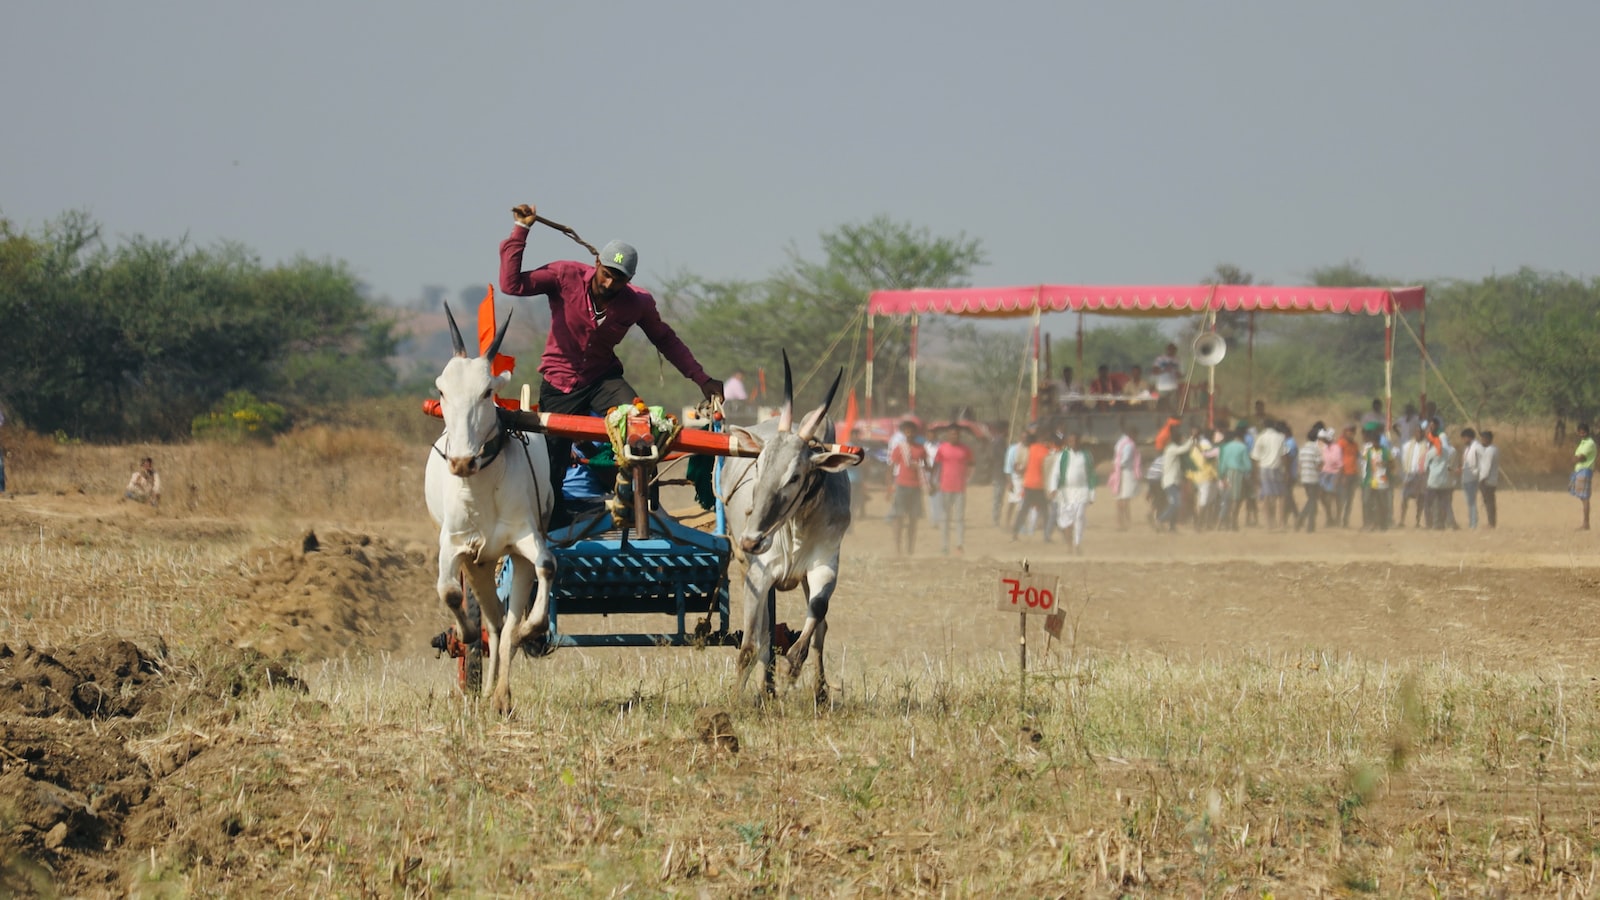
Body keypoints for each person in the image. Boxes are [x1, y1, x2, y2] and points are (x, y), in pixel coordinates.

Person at [500, 202, 724, 527]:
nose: (608, 285)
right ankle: (553, 524)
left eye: (618, 280)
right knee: (553, 461)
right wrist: (521, 230)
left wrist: (702, 379)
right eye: (606, 275)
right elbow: (512, 285)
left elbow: (666, 339)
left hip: (603, 378)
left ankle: (639, 506)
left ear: (629, 280)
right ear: (597, 264)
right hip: (559, 383)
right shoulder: (565, 276)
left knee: (641, 423)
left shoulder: (638, 303)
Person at [1047, 432, 1095, 552]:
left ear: (1079, 442)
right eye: (1071, 441)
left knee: (1079, 517)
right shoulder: (1063, 455)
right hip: (1065, 491)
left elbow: (1091, 475)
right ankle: (1069, 545)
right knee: (1066, 520)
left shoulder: (1086, 455)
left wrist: (1092, 493)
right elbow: (1055, 473)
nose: (1073, 443)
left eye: (1075, 441)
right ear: (1068, 442)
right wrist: (1053, 488)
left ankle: (1077, 544)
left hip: (1082, 490)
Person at [887, 419, 929, 554]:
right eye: (907, 431)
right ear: (904, 433)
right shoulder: (899, 448)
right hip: (901, 486)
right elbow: (891, 467)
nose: (909, 434)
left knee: (913, 519)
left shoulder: (921, 449)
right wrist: (889, 486)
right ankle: (898, 550)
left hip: (916, 487)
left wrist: (920, 466)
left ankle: (910, 550)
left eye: (912, 431)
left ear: (915, 433)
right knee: (898, 518)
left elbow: (927, 466)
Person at [932, 425, 975, 555]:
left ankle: (959, 545)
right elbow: (936, 465)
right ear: (948, 435)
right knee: (945, 518)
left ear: (959, 435)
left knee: (959, 518)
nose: (954, 436)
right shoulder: (942, 448)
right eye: (952, 434)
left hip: (960, 488)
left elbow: (972, 464)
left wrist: (969, 478)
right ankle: (945, 546)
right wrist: (934, 482)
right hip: (945, 487)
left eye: (956, 434)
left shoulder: (965, 450)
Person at [1011, 427, 1053, 542]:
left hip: (1028, 484)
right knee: (1045, 512)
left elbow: (1022, 465)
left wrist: (1021, 471)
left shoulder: (1030, 449)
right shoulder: (1045, 451)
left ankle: (1015, 533)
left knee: (1023, 510)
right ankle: (1046, 536)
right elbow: (1048, 470)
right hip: (1040, 485)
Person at [1251, 420, 1287, 530]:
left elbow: (1255, 457)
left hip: (1264, 468)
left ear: (1263, 426)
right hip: (1277, 468)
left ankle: (1269, 523)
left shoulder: (1260, 437)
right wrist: (1286, 470)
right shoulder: (1280, 437)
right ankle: (1281, 523)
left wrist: (1255, 473)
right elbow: (1284, 455)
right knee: (1281, 496)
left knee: (1266, 495)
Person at [1358, 422, 1392, 531]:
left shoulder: (1384, 450)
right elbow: (1364, 465)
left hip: (1381, 481)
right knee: (1367, 502)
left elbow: (1392, 463)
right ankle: (1369, 523)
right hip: (1369, 480)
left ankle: (1382, 524)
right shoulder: (1367, 450)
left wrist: (1385, 465)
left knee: (1381, 503)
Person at [1107, 425, 1141, 531]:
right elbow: (1125, 459)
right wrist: (1120, 466)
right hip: (1126, 472)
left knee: (1119, 497)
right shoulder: (1130, 445)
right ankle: (1125, 520)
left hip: (1118, 471)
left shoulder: (1121, 442)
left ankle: (1121, 520)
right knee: (1125, 498)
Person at [1216, 427, 1251, 531]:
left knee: (1227, 499)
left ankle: (1220, 524)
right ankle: (1233, 522)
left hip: (1227, 474)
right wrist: (1247, 470)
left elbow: (1223, 463)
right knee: (1236, 498)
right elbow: (1248, 465)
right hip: (1237, 474)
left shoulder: (1226, 447)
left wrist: (1221, 476)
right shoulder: (1242, 447)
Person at [1295, 425, 1324, 533]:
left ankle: (1305, 522)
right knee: (1312, 501)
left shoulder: (1302, 448)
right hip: (1313, 478)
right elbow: (1318, 464)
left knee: (1311, 500)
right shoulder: (1316, 449)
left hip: (1304, 478)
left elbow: (1300, 463)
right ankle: (1306, 523)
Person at [1398, 425, 1428, 528]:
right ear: (1414, 433)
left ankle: (1418, 521)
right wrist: (1404, 475)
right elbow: (1403, 460)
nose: (1418, 434)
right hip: (1409, 474)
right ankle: (1402, 520)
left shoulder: (1427, 445)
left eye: (1420, 432)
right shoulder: (1407, 446)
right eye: (1417, 432)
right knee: (1404, 498)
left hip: (1421, 475)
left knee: (1420, 499)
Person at [1457, 428, 1482, 529]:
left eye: (1463, 438)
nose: (1463, 441)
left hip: (1472, 478)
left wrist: (1476, 472)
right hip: (1465, 477)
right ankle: (1472, 521)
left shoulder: (1477, 447)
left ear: (1467, 437)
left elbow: (1481, 462)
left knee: (1471, 501)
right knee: (1469, 501)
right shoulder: (1468, 448)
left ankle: (1473, 523)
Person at [1572, 423, 1595, 531]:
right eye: (1580, 432)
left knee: (1585, 497)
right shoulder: (1582, 442)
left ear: (1587, 432)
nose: (1581, 434)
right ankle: (1585, 523)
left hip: (1584, 471)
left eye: (1583, 432)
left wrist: (1575, 459)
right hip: (1579, 471)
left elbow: (1580, 457)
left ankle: (1586, 523)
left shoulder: (1589, 443)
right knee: (1582, 497)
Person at [1477, 430, 1500, 529]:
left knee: (1489, 503)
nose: (1481, 440)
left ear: (1487, 439)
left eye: (1483, 439)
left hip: (1487, 480)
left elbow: (1486, 466)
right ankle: (1491, 522)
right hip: (1493, 480)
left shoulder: (1489, 451)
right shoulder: (1495, 449)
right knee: (1490, 502)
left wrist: (1482, 479)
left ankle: (1491, 523)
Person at [1151, 343, 1181, 409]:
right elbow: (1154, 371)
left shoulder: (1177, 360)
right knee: (1162, 407)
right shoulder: (1160, 359)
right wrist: (1164, 370)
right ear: (1167, 350)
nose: (1171, 351)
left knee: (1174, 408)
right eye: (1170, 349)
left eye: (1173, 350)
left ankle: (1173, 419)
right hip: (1162, 387)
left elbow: (1180, 373)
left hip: (1173, 387)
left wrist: (1178, 374)